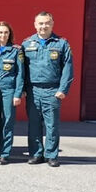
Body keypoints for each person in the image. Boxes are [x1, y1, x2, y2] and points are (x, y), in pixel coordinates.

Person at [21, 11, 74, 167]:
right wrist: (22, 89)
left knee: (52, 125)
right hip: (33, 90)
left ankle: (51, 155)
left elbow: (68, 68)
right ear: (35, 25)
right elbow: (21, 69)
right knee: (34, 124)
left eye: (47, 23)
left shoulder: (61, 44)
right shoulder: (26, 44)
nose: (43, 26)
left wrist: (63, 89)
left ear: (52, 24)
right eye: (40, 23)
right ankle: (36, 154)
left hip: (52, 90)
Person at [0, 21, 25, 165]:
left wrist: (18, 93)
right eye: (0, 32)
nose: (3, 35)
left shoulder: (16, 51)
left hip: (9, 90)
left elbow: (20, 74)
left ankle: (5, 153)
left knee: (8, 121)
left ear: (10, 34)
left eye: (6, 32)